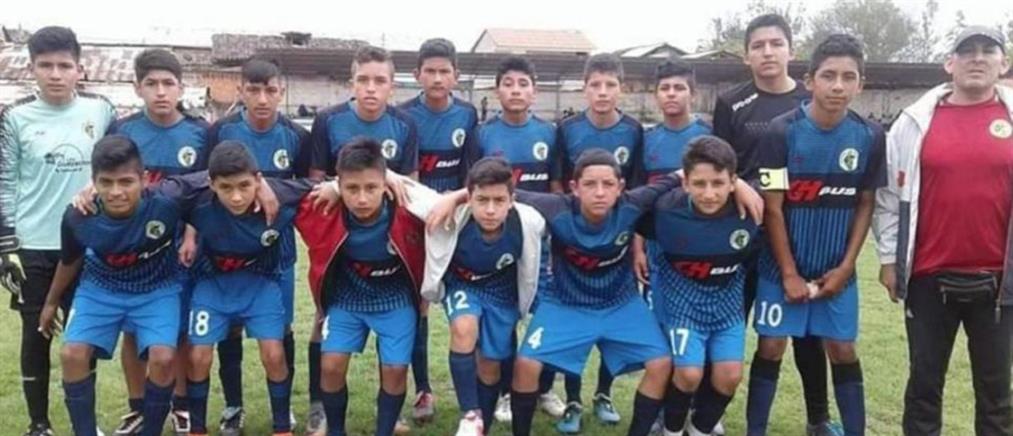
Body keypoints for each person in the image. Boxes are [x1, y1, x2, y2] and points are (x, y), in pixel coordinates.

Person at [873, 25, 1013, 435]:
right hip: (928, 276)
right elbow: (888, 196)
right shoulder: (913, 122)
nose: (977, 58)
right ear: (949, 63)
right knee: (923, 386)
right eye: (967, 51)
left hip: (1001, 282)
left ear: (1003, 64)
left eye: (988, 50)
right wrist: (888, 259)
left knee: (996, 393)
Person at [746, 34, 884, 436]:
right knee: (771, 345)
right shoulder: (780, 131)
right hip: (779, 267)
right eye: (828, 75)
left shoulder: (870, 136)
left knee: (841, 348)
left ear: (860, 84)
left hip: (836, 269)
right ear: (810, 80)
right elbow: (773, 206)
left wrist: (846, 267)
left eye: (848, 77)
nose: (838, 86)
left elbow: (865, 203)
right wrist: (788, 272)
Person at [711, 13, 836, 436]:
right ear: (746, 56)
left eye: (776, 43)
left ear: (791, 50)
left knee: (807, 332)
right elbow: (717, 164)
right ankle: (706, 413)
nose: (768, 52)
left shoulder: (809, 98)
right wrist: (738, 184)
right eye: (758, 45)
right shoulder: (731, 102)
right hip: (742, 234)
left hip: (801, 235)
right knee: (729, 323)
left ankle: (818, 418)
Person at [39, 135, 205, 436]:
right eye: (106, 182)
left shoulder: (167, 200)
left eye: (126, 182)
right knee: (72, 354)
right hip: (100, 287)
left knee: (163, 358)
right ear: (93, 182)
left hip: (157, 288)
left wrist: (263, 186)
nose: (116, 192)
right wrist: (51, 302)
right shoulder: (78, 215)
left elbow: (214, 174)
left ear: (144, 179)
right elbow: (70, 260)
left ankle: (150, 430)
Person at [0, 25, 117, 436]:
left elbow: (116, 168)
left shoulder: (101, 110)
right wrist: (5, 246)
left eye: (64, 65)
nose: (55, 74)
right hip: (33, 246)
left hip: (87, 245)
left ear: (79, 69)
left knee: (82, 339)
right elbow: (4, 181)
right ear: (31, 69)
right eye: (45, 65)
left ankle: (86, 425)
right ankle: (39, 425)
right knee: (36, 336)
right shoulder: (14, 117)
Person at [205, 57, 312, 435]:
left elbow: (309, 189)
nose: (262, 98)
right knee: (230, 328)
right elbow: (202, 183)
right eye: (253, 90)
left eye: (270, 90)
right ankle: (233, 407)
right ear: (241, 92)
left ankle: (284, 408)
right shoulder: (221, 132)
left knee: (281, 329)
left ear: (281, 92)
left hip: (276, 251)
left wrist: (269, 185)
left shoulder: (297, 136)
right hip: (226, 251)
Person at [107, 48, 209, 435]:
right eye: (152, 84)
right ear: (138, 88)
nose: (161, 92)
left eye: (169, 83)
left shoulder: (200, 132)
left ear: (181, 87)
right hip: (134, 248)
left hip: (181, 246)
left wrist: (191, 235)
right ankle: (138, 406)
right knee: (133, 329)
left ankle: (180, 405)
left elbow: (205, 191)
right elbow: (108, 184)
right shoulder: (123, 130)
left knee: (180, 328)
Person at [294, 138, 426, 436]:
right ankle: (335, 430)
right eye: (352, 189)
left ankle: (385, 429)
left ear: (385, 185)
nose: (362, 198)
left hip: (395, 297)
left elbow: (457, 201)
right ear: (339, 185)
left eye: (371, 188)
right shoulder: (325, 206)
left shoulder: (408, 205)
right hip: (347, 296)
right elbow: (283, 189)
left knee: (395, 369)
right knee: (331, 365)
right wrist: (330, 186)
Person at [183, 141, 312, 436]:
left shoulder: (281, 195)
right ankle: (198, 428)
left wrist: (390, 178)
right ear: (212, 184)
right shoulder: (195, 201)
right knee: (198, 356)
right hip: (212, 286)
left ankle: (282, 427)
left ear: (258, 179)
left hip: (259, 284)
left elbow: (328, 184)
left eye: (244, 185)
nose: (237, 196)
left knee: (274, 353)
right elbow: (155, 192)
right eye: (226, 188)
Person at [639, 136, 758, 436]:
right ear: (685, 183)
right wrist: (636, 250)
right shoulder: (665, 210)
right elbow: (630, 209)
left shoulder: (751, 209)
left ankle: (700, 429)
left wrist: (745, 187)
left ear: (733, 182)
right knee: (689, 373)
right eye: (699, 184)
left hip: (727, 304)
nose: (709, 193)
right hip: (682, 303)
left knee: (730, 376)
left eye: (718, 183)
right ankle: (671, 430)